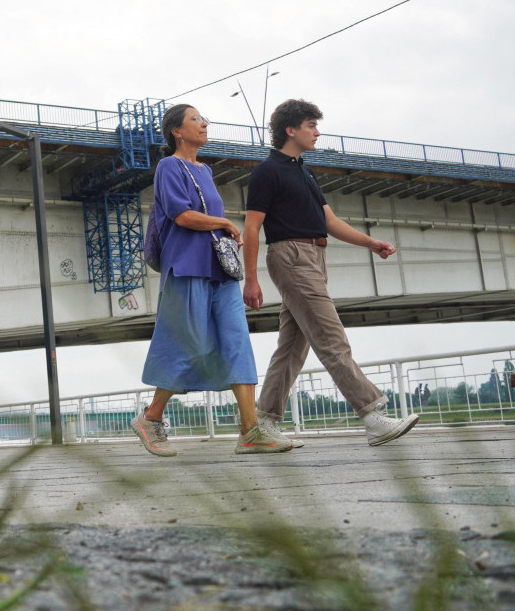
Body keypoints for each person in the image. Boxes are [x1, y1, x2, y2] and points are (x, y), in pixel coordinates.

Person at [242, 99, 419, 446]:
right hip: (290, 255)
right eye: (311, 125)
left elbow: (329, 221)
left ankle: (262, 424)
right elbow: (251, 229)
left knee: (292, 346)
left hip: (314, 255)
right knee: (330, 335)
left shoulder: (304, 171)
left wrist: (371, 243)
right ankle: (371, 414)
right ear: (290, 129)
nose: (317, 132)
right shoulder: (267, 172)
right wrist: (251, 278)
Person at [130, 104, 294, 457]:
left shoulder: (205, 170)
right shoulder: (168, 166)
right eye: (195, 120)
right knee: (190, 345)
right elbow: (182, 215)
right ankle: (151, 418)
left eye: (204, 120)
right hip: (186, 267)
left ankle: (250, 431)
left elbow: (201, 215)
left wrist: (221, 229)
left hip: (219, 269)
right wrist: (222, 223)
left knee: (238, 342)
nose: (204, 124)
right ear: (176, 130)